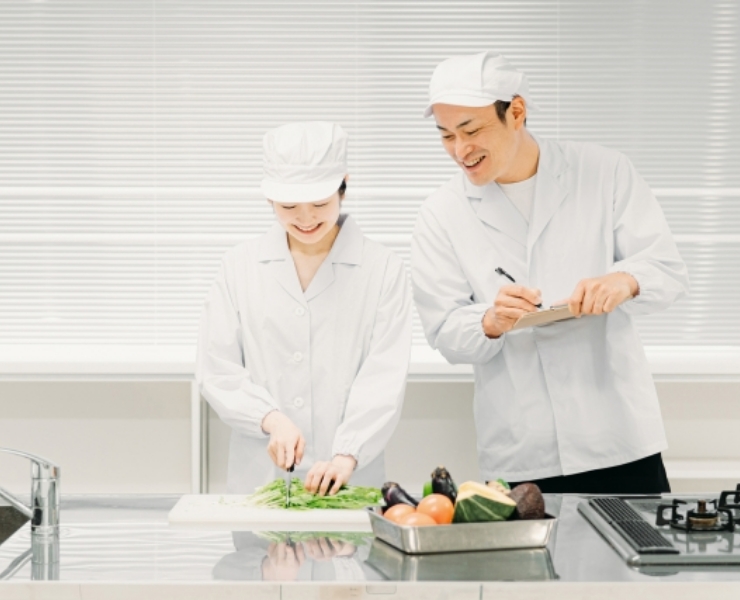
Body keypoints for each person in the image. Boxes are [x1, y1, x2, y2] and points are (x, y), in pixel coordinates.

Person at [411, 52, 689, 494]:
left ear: (516, 112)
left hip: (618, 435)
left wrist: (624, 281)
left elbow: (665, 269)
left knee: (635, 541)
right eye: (446, 135)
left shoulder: (603, 171)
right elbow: (444, 330)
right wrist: (490, 321)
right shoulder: (441, 213)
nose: (460, 150)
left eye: (471, 130)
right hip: (523, 447)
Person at [197, 121, 411, 495]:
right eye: (289, 206)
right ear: (269, 199)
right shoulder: (239, 266)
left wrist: (346, 454)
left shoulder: (383, 269)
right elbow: (217, 368)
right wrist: (271, 419)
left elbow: (384, 376)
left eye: (320, 204)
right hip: (261, 478)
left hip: (350, 477)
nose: (306, 218)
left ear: (344, 187)